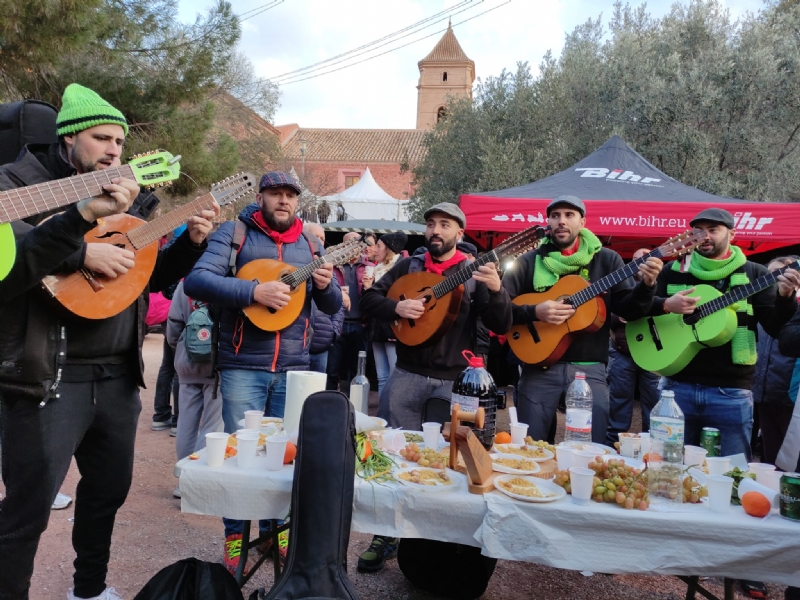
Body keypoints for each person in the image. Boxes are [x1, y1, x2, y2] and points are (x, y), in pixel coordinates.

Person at [0, 83, 217, 600]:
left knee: (106, 496)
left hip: (117, 374)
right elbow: (12, 269)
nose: (114, 151)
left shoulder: (134, 196)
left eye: (120, 142)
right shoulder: (15, 184)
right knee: (28, 508)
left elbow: (143, 276)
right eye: (101, 138)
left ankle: (89, 590)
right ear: (68, 139)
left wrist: (189, 245)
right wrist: (79, 248)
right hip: (45, 374)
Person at [183, 171, 342, 575]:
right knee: (242, 458)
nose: (284, 201)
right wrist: (253, 291)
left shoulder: (311, 243)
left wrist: (325, 286)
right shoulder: (233, 233)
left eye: (290, 195)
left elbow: (333, 305)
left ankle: (277, 532)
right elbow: (197, 281)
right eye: (276, 194)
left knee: (285, 456)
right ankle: (235, 536)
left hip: (294, 369)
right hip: (242, 366)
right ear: (261, 197)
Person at [359, 202, 512, 573]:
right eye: (430, 224)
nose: (435, 231)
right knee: (394, 453)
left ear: (460, 234)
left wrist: (495, 290)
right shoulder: (408, 266)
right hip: (407, 373)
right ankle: (385, 533)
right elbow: (369, 300)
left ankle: (446, 537)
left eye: (445, 225)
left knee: (455, 458)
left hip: (457, 380)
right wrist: (397, 307)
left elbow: (502, 322)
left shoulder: (474, 272)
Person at [502, 195, 662, 444]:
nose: (561, 222)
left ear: (583, 222)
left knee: (592, 444)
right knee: (530, 444)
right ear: (549, 222)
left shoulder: (608, 260)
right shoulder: (527, 261)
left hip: (590, 368)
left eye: (569, 215)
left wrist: (648, 285)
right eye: (555, 216)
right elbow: (502, 312)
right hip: (538, 367)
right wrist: (535, 312)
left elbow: (629, 310)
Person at [648, 207, 798, 460]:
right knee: (667, 465)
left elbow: (774, 327)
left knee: (731, 469)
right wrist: (663, 304)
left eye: (713, 230)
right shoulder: (673, 270)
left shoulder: (754, 274)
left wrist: (785, 298)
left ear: (733, 234)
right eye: (698, 231)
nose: (704, 236)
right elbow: (636, 311)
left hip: (730, 393)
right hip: (676, 387)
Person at [165, 280, 222, 497]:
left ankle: (183, 482)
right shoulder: (225, 283)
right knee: (211, 425)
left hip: (186, 360)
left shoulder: (185, 283)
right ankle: (197, 482)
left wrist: (179, 347)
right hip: (216, 364)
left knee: (185, 423)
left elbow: (173, 324)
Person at [605, 248, 662, 446]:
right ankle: (613, 444)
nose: (639, 263)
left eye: (644, 259)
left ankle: (652, 445)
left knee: (654, 402)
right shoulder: (621, 286)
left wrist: (640, 314)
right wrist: (618, 316)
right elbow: (605, 313)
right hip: (623, 353)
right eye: (636, 259)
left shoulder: (658, 286)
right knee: (618, 400)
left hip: (651, 354)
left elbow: (666, 312)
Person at [752, 257, 800, 465]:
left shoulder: (795, 309)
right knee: (768, 460)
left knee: (790, 461)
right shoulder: (762, 308)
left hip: (789, 396)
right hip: (762, 393)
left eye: (780, 275)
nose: (774, 281)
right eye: (769, 276)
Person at [362, 231, 407, 397]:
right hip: (376, 327)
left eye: (379, 246)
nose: (375, 250)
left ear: (388, 249)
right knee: (381, 376)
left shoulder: (400, 267)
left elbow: (396, 299)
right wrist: (367, 288)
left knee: (394, 376)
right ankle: (382, 415)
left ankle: (392, 412)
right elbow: (371, 303)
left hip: (392, 327)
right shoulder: (376, 268)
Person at [328, 231, 371, 392]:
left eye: (357, 243)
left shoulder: (369, 267)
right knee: (332, 370)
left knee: (357, 372)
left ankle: (354, 409)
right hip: (337, 324)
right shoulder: (332, 266)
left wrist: (370, 288)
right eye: (349, 243)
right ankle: (330, 403)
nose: (353, 247)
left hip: (360, 325)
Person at [303, 223, 345, 374]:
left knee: (317, 393)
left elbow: (338, 304)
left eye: (322, 238)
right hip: (296, 347)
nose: (319, 241)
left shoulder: (327, 269)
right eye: (315, 237)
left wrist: (333, 331)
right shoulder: (293, 264)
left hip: (321, 345)